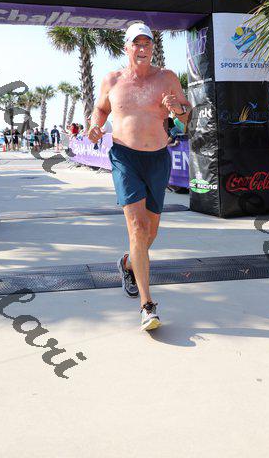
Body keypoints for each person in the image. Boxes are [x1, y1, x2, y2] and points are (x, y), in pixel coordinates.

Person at [88, 22, 191, 331]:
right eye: (137, 43)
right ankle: (147, 305)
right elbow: (100, 109)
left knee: (150, 233)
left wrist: (177, 107)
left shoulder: (167, 77)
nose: (142, 48)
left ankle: (128, 263)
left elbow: (186, 115)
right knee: (137, 227)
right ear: (127, 48)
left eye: (147, 43)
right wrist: (94, 126)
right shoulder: (112, 79)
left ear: (152, 48)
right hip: (125, 158)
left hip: (158, 159)